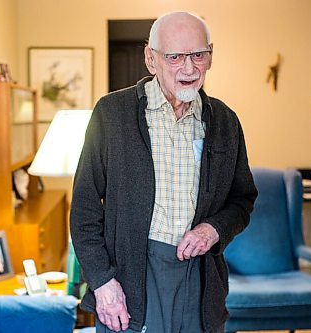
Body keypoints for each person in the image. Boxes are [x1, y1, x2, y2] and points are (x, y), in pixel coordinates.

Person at [70, 11, 258, 333]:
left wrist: (213, 229)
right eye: (174, 57)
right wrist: (102, 282)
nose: (189, 68)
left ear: (210, 56)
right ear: (150, 59)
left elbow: (242, 200)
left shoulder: (226, 122)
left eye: (198, 55)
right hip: (131, 280)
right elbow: (85, 209)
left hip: (200, 280)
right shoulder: (112, 114)